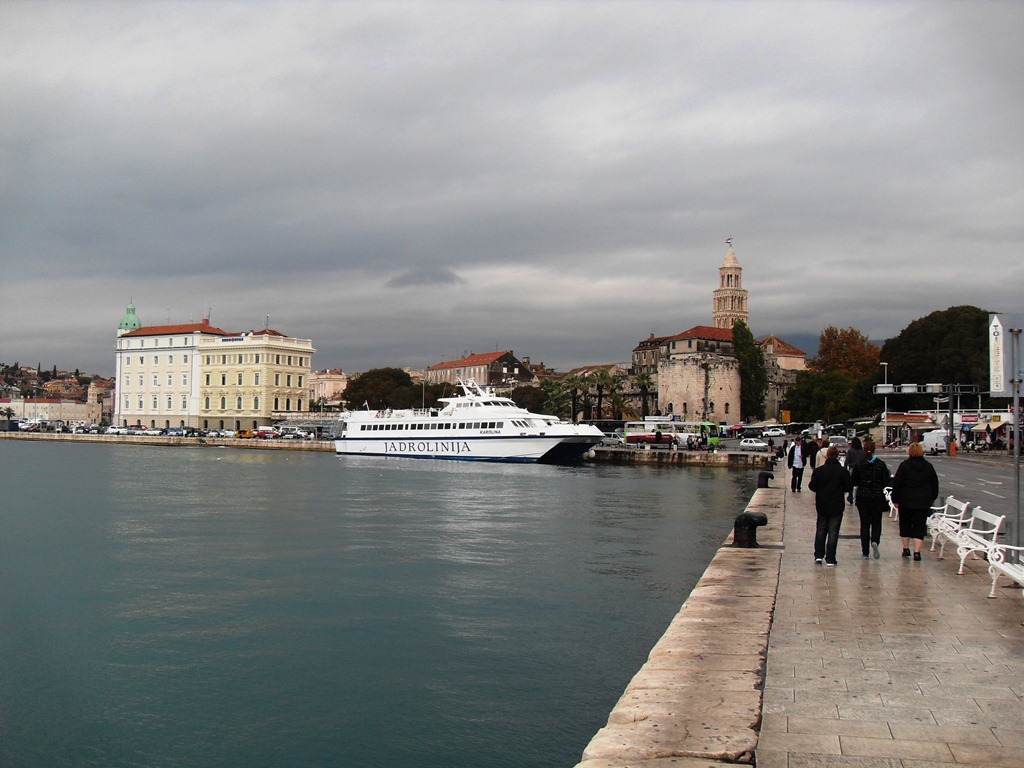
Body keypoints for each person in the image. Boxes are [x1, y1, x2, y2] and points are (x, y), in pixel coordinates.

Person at [890, 442, 939, 561]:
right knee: (919, 526)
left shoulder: (904, 466)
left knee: (905, 524)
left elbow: (897, 483)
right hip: (923, 501)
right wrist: (932, 497)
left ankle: (906, 549)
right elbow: (934, 484)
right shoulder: (928, 466)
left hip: (905, 500)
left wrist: (895, 499)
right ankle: (917, 552)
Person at [808, 445, 853, 566]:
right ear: (837, 456)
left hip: (822, 504)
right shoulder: (842, 471)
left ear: (827, 456)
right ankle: (830, 558)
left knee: (821, 529)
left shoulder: (819, 471)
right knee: (833, 531)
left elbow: (812, 486)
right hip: (837, 504)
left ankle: (818, 555)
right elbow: (849, 487)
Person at [850, 439, 889, 560]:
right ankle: (875, 541)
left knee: (864, 524)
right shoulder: (880, 464)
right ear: (874, 450)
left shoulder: (859, 464)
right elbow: (885, 481)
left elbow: (854, 481)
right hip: (877, 497)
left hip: (862, 497)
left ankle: (865, 552)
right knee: (876, 523)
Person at [844, 436, 865, 504]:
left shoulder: (850, 451)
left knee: (851, 484)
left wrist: (845, 469)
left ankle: (850, 497)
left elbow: (846, 461)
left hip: (852, 469)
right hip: (861, 469)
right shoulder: (862, 452)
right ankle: (858, 497)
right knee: (859, 484)